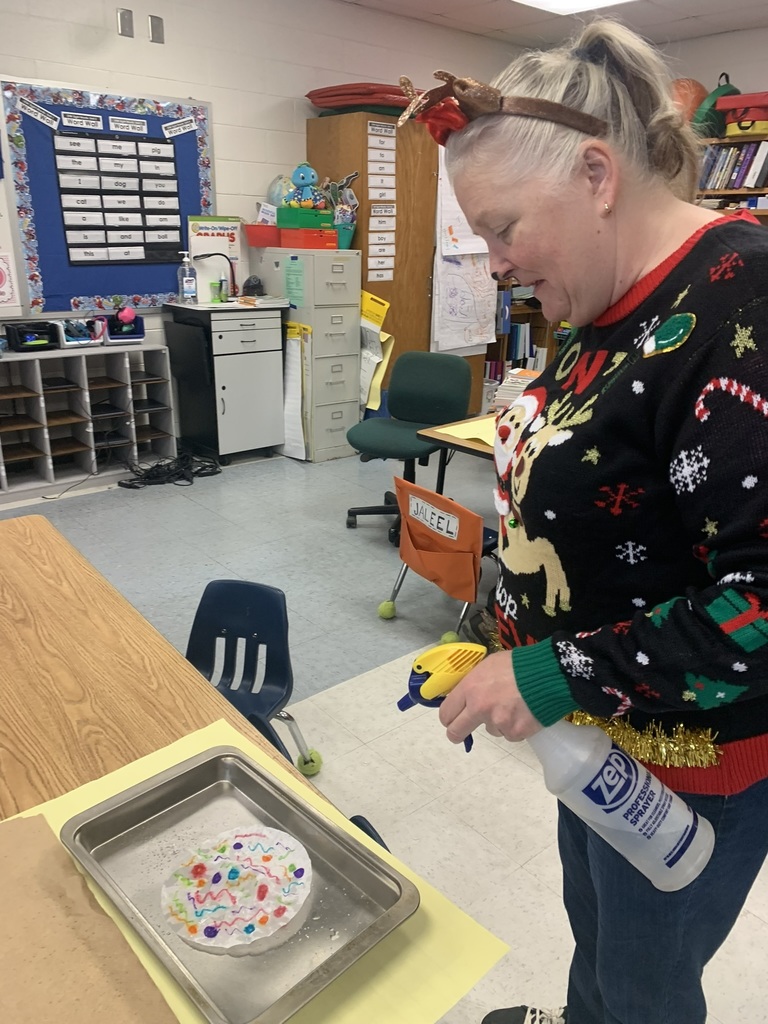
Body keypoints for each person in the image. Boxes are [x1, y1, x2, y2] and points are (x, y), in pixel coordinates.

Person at [399, 18, 768, 1024]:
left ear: (599, 175)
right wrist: (489, 637)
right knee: (598, 947)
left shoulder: (744, 296)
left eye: (505, 228)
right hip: (595, 737)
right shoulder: (596, 302)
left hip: (690, 762)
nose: (498, 263)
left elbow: (761, 606)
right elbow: (569, 515)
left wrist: (556, 669)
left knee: (647, 989)